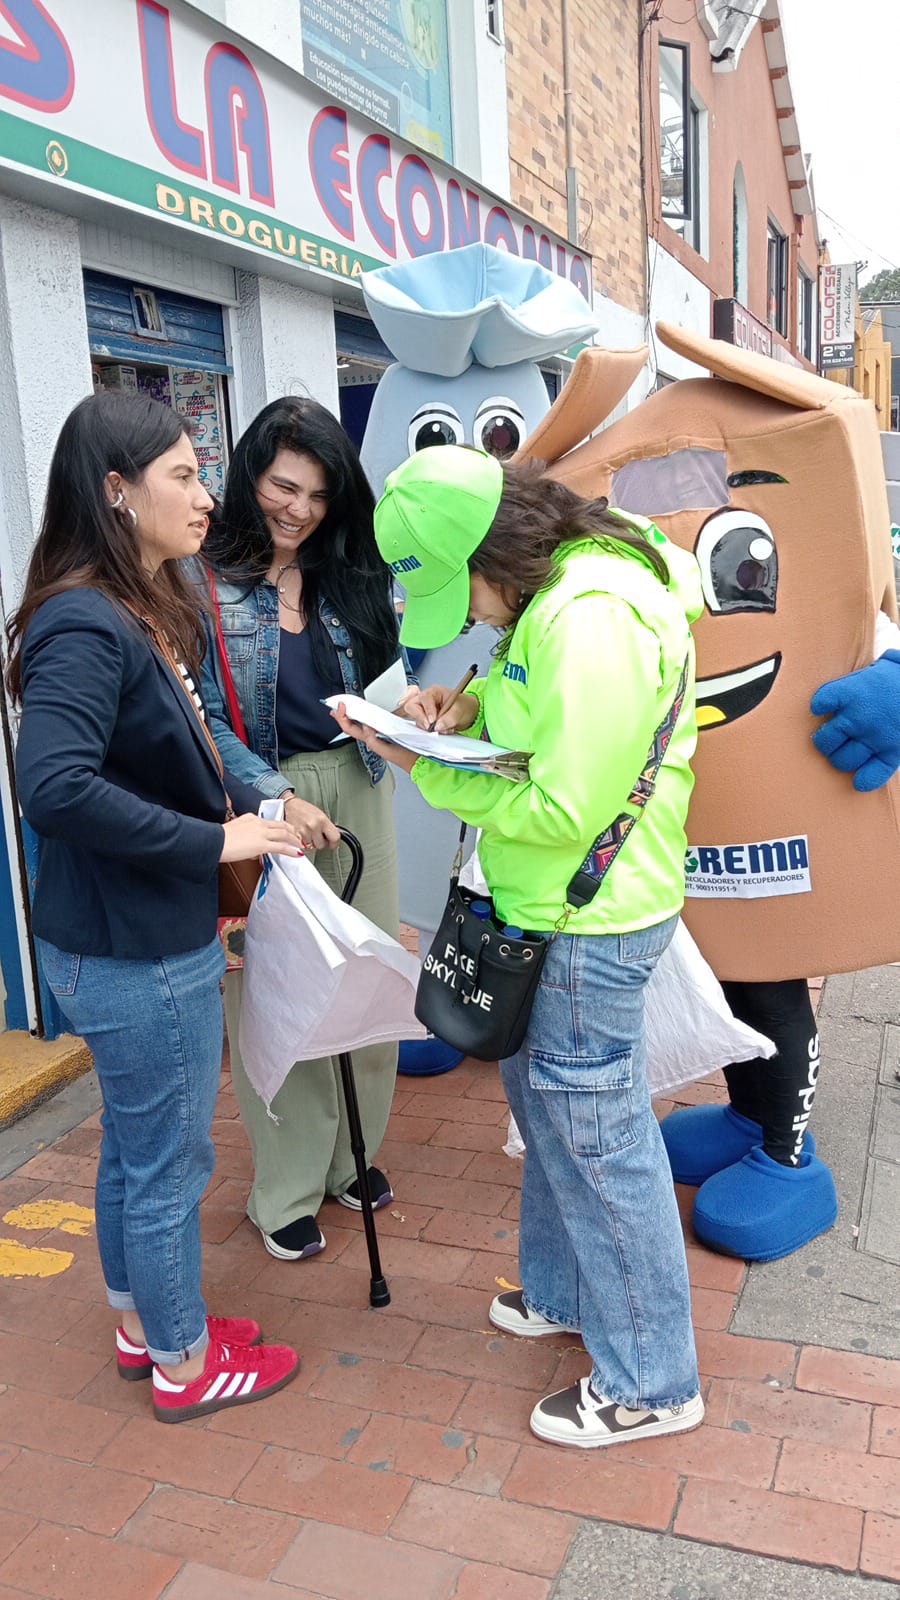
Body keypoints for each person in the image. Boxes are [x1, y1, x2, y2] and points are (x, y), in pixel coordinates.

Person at [333, 445, 705, 1448]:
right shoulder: (557, 596)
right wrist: (467, 709)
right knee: (549, 1109)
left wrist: (424, 765)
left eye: (465, 595)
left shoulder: (589, 615)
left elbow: (562, 806)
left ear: (496, 552)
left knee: (596, 1136)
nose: (472, 619)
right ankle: (564, 1292)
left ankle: (654, 1380)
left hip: (587, 914)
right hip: (552, 907)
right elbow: (535, 713)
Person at [10, 391, 303, 1423]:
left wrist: (260, 801)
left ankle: (145, 1325)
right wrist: (216, 842)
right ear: (117, 491)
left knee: (137, 1150)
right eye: (182, 474)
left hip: (127, 935)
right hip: (132, 948)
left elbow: (184, 736)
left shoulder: (135, 601)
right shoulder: (86, 620)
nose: (205, 494)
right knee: (169, 1161)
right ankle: (184, 1362)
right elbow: (54, 786)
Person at [199, 396, 409, 1262]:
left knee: (369, 973)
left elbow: (384, 683)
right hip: (266, 805)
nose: (300, 509)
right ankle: (284, 1186)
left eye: (320, 495)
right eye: (285, 487)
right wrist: (272, 797)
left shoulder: (348, 572)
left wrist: (410, 712)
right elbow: (202, 718)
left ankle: (353, 1154)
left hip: (359, 786)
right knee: (280, 993)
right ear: (249, 475)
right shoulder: (200, 582)